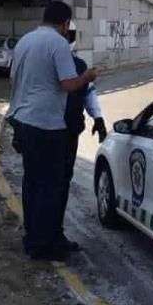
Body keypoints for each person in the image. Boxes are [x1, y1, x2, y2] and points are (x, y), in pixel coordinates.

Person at [7, 2, 97, 261]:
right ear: (65, 23)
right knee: (51, 185)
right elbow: (69, 84)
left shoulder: (25, 41)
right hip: (47, 124)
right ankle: (44, 245)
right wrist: (88, 77)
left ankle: (34, 237)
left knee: (33, 183)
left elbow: (13, 78)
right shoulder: (58, 43)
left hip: (24, 120)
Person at [58, 22, 106, 252]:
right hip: (57, 132)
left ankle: (50, 232)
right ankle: (47, 234)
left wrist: (98, 117)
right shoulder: (74, 64)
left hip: (65, 132)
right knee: (53, 182)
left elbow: (88, 94)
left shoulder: (78, 65)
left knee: (58, 181)